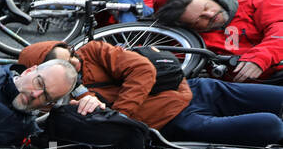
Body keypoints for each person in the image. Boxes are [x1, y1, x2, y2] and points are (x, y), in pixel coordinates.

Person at [19, 39, 192, 131]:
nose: (75, 60)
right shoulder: (55, 97)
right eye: (67, 65)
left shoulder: (92, 51)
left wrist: (118, 117)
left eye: (70, 53)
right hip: (171, 116)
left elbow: (143, 69)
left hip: (188, 87)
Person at [153, 0, 283, 82]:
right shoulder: (191, 42)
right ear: (190, 27)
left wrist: (261, 57)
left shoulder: (260, 0)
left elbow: (279, 27)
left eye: (207, 6)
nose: (210, 15)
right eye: (200, 19)